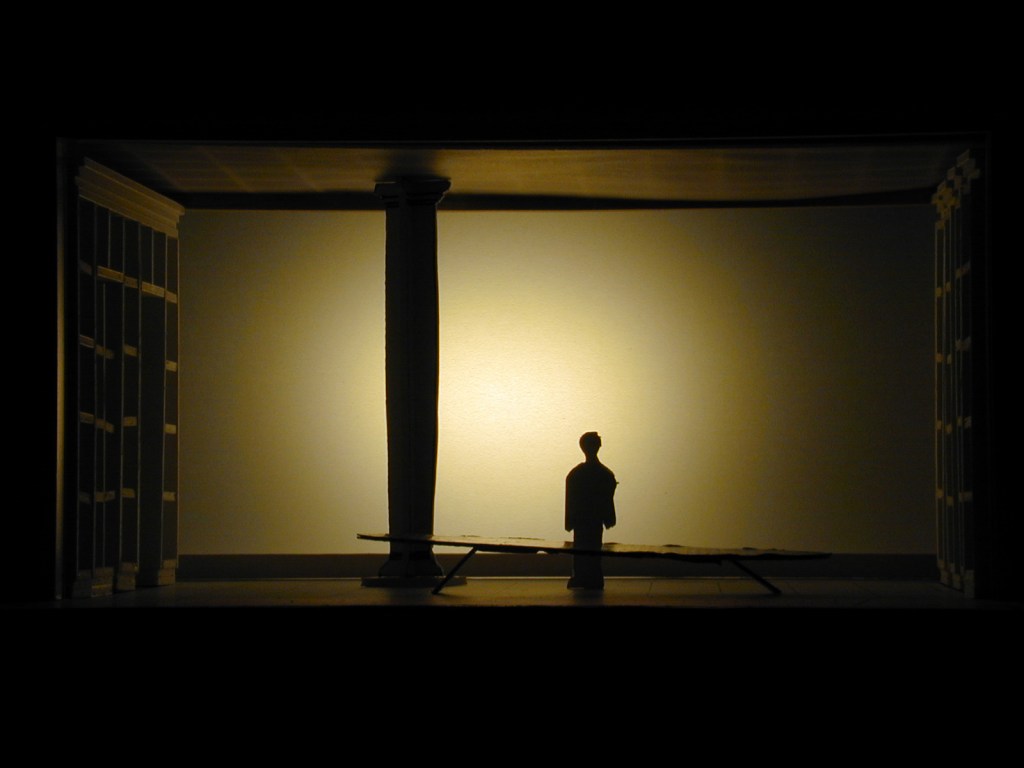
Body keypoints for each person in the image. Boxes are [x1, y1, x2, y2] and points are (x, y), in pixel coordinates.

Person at [565, 431, 617, 589]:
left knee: (582, 549)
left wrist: (570, 520)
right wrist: (608, 517)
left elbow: (571, 499)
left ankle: (584, 576)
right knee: (592, 548)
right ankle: (590, 577)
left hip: (583, 520)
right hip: (593, 520)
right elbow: (607, 498)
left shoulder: (576, 473)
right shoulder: (605, 473)